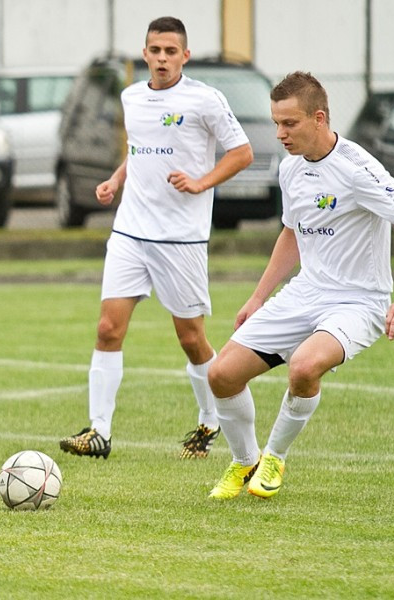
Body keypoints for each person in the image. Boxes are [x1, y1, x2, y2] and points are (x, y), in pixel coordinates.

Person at [206, 71, 394, 500]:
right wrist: (258, 297)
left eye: (289, 123)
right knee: (221, 375)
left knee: (303, 366)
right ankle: (246, 462)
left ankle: (275, 457)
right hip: (304, 293)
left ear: (319, 118)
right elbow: (291, 232)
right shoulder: (290, 168)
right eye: (276, 122)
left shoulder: (357, 169)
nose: (279, 133)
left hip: (357, 302)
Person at [58, 16, 253, 460]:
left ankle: (209, 420)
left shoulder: (205, 99)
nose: (162, 58)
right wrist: (115, 179)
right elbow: (140, 149)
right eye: (155, 50)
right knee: (108, 328)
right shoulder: (131, 96)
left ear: (185, 55)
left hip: (181, 239)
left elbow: (243, 153)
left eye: (171, 51)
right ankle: (99, 431)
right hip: (130, 230)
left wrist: (202, 183)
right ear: (144, 54)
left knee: (190, 338)